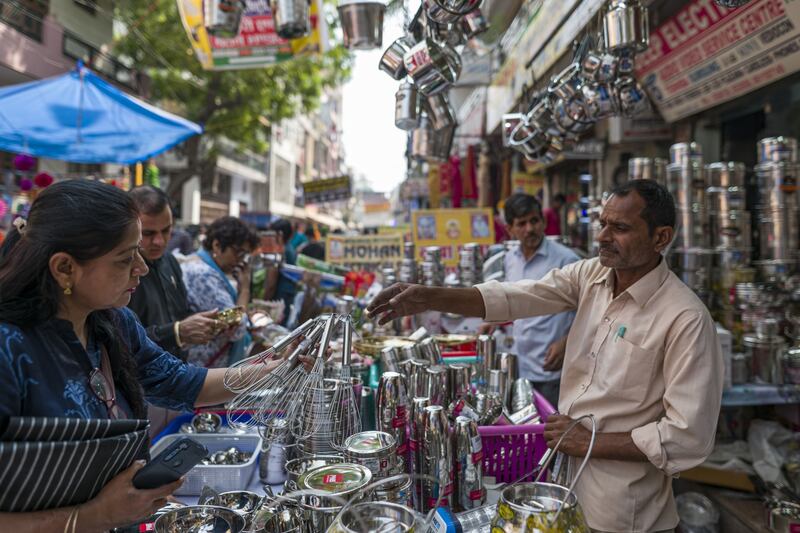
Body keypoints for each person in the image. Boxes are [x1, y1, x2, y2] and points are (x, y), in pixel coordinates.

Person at [367, 180, 723, 533]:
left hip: (624, 513)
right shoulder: (593, 275)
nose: (602, 236)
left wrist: (587, 441)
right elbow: (518, 296)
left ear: (661, 237)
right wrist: (429, 297)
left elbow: (688, 438)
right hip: (563, 492)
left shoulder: (684, 318)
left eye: (621, 228)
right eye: (603, 224)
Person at [0, 180, 298, 531]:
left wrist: (277, 367)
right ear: (65, 268)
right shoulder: (10, 349)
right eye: (126, 258)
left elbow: (181, 382)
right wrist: (96, 515)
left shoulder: (112, 321)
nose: (141, 267)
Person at [484, 193, 579, 407]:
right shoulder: (510, 260)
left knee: (552, 431)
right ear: (510, 229)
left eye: (534, 221)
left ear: (543, 222)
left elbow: (591, 307)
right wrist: (493, 321)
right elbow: (516, 301)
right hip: (521, 364)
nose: (530, 229)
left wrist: (566, 342)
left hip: (553, 368)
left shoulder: (567, 259)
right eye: (522, 223)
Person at [181, 216, 259, 367]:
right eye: (238, 252)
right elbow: (236, 324)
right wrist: (244, 290)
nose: (240, 260)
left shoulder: (199, 263)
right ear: (217, 245)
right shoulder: (203, 275)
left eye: (245, 255)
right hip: (203, 367)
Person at [269, 218, 298, 325]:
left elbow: (272, 278)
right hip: (288, 293)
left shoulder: (281, 250)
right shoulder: (290, 248)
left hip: (281, 294)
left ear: (279, 234)